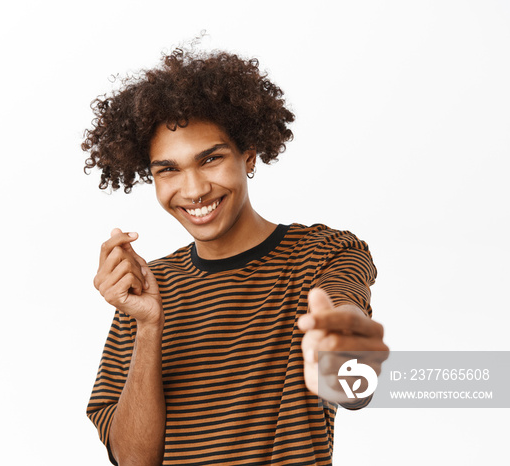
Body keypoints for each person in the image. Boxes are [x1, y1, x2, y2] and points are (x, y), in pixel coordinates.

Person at [82, 47, 388, 466]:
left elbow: (350, 364)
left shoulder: (323, 254)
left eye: (210, 159)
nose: (192, 191)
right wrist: (149, 326)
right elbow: (134, 460)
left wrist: (342, 349)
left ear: (248, 155)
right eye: (168, 170)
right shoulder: (147, 288)